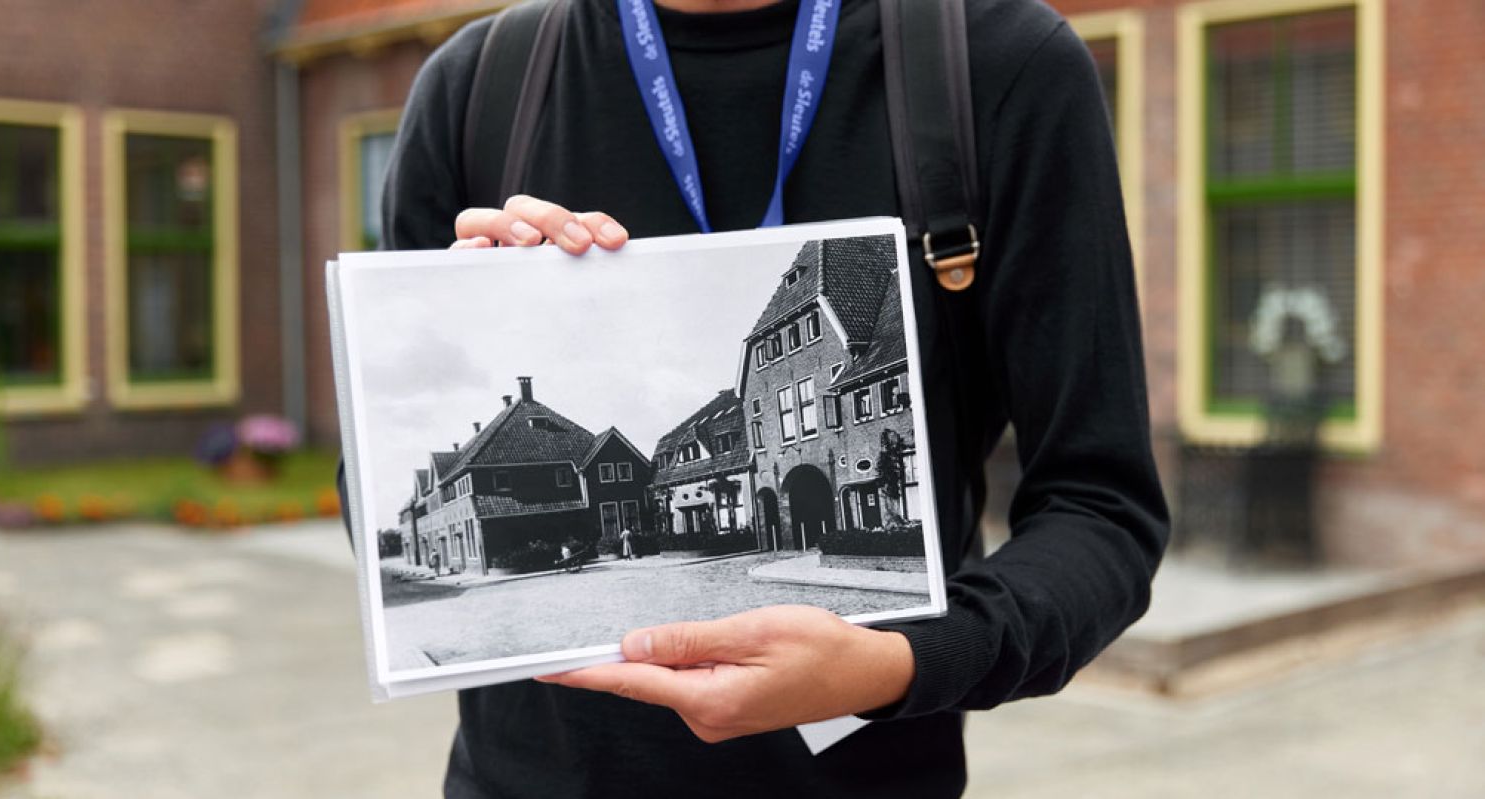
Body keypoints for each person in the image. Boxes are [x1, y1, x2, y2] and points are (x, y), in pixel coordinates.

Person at [365, 0, 1170, 796]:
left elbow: (1101, 506)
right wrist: (452, 297)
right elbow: (373, 496)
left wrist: (905, 661)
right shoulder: (477, 90)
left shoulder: (995, 65)